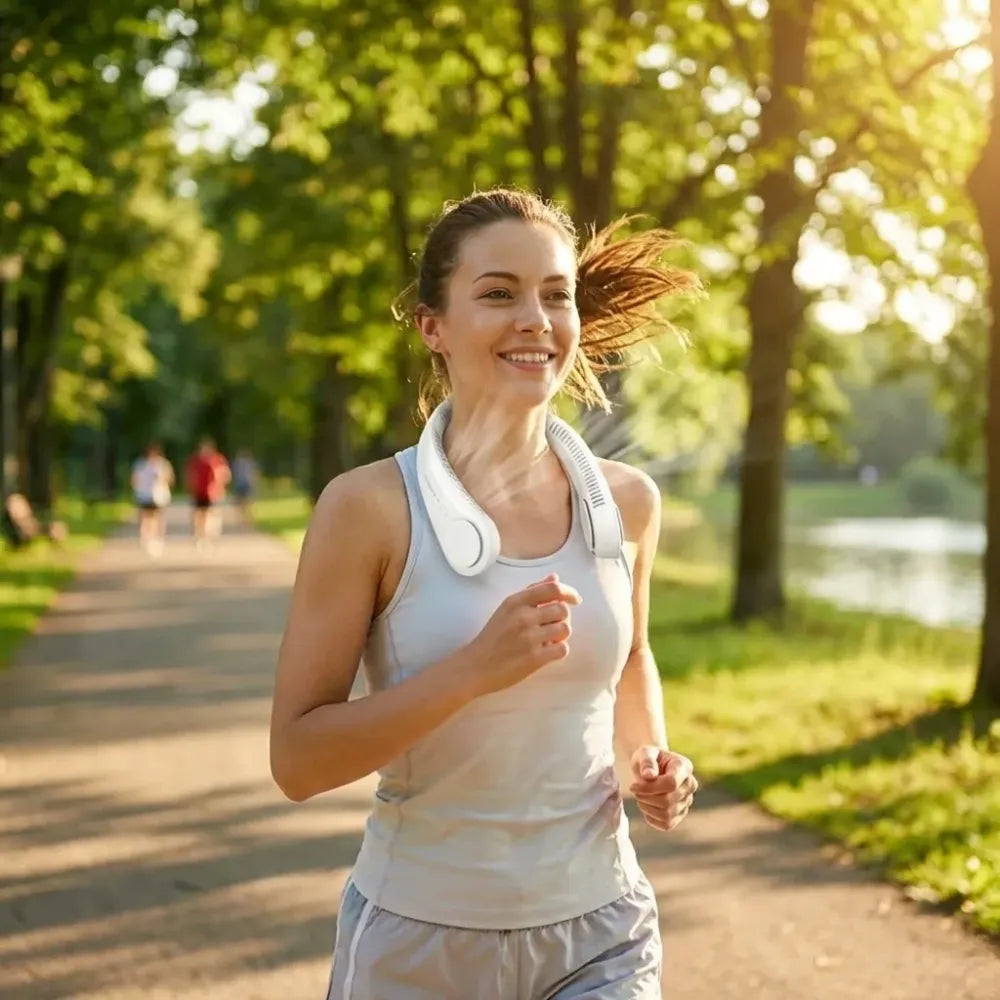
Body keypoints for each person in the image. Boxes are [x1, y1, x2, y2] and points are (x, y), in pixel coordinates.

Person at [270, 188, 702, 999]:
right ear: (433, 325)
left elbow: (631, 657)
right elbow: (297, 760)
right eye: (498, 293)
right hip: (420, 942)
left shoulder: (628, 502)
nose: (535, 318)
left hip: (601, 931)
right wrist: (472, 671)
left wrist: (649, 763)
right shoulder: (367, 510)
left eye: (555, 294)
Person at [130, 442, 174, 556]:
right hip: (144, 494)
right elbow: (134, 479)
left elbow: (169, 478)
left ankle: (157, 538)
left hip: (159, 495)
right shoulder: (140, 464)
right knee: (146, 516)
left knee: (158, 517)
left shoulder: (162, 464)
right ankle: (146, 537)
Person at [184, 438, 230, 546]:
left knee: (211, 514)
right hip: (199, 492)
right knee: (199, 515)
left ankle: (208, 534)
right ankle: (201, 535)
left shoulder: (217, 460)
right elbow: (190, 475)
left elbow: (225, 475)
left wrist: (221, 486)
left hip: (213, 493)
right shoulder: (195, 461)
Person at [231, 448, 259, 526]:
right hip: (246, 484)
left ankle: (242, 519)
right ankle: (247, 519)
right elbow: (254, 474)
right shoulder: (250, 463)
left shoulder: (237, 463)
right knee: (247, 502)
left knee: (240, 503)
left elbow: (234, 475)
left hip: (240, 485)